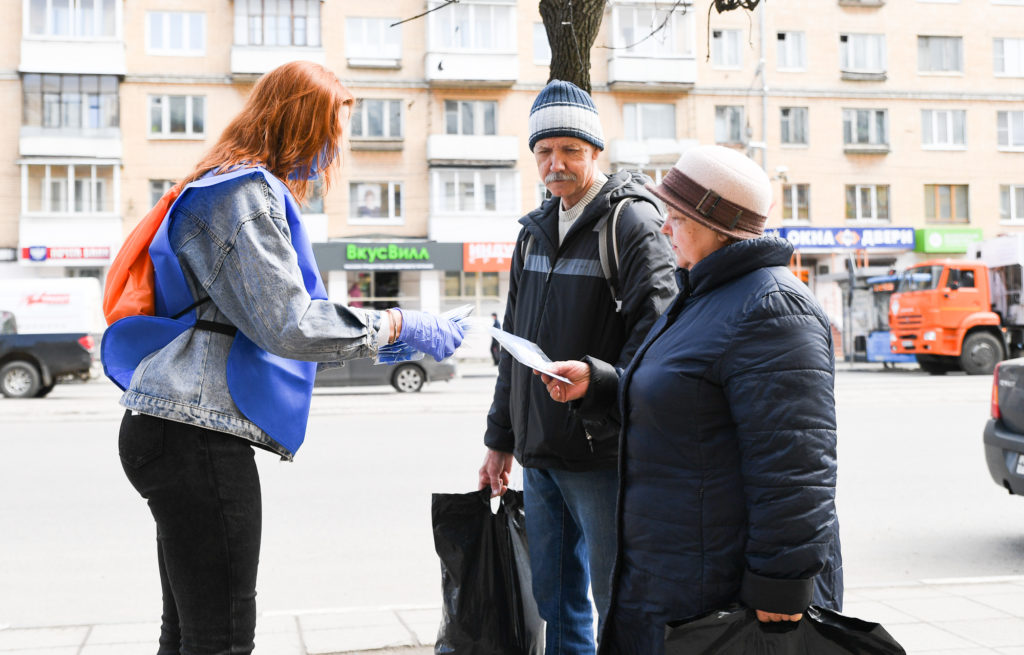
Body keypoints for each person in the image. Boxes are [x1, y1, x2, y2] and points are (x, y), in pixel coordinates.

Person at [105, 61, 464, 655]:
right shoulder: (240, 195)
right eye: (328, 133)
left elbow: (264, 326)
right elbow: (289, 324)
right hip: (196, 434)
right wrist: (402, 322)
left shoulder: (221, 185)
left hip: (176, 429)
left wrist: (396, 341)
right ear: (296, 124)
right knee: (221, 638)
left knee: (191, 632)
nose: (330, 154)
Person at [539, 145, 843, 654]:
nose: (663, 229)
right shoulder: (703, 292)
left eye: (675, 217)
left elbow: (796, 465)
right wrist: (603, 384)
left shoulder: (772, 308)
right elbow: (687, 400)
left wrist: (780, 584)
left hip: (720, 588)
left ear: (716, 225)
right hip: (677, 570)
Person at [478, 80, 677, 655]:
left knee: (620, 602)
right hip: (540, 455)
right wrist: (500, 441)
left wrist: (598, 379)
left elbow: (661, 339)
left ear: (595, 151)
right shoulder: (533, 233)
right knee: (555, 601)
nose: (555, 164)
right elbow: (512, 349)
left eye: (569, 149)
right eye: (544, 151)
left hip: (603, 454)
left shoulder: (631, 225)